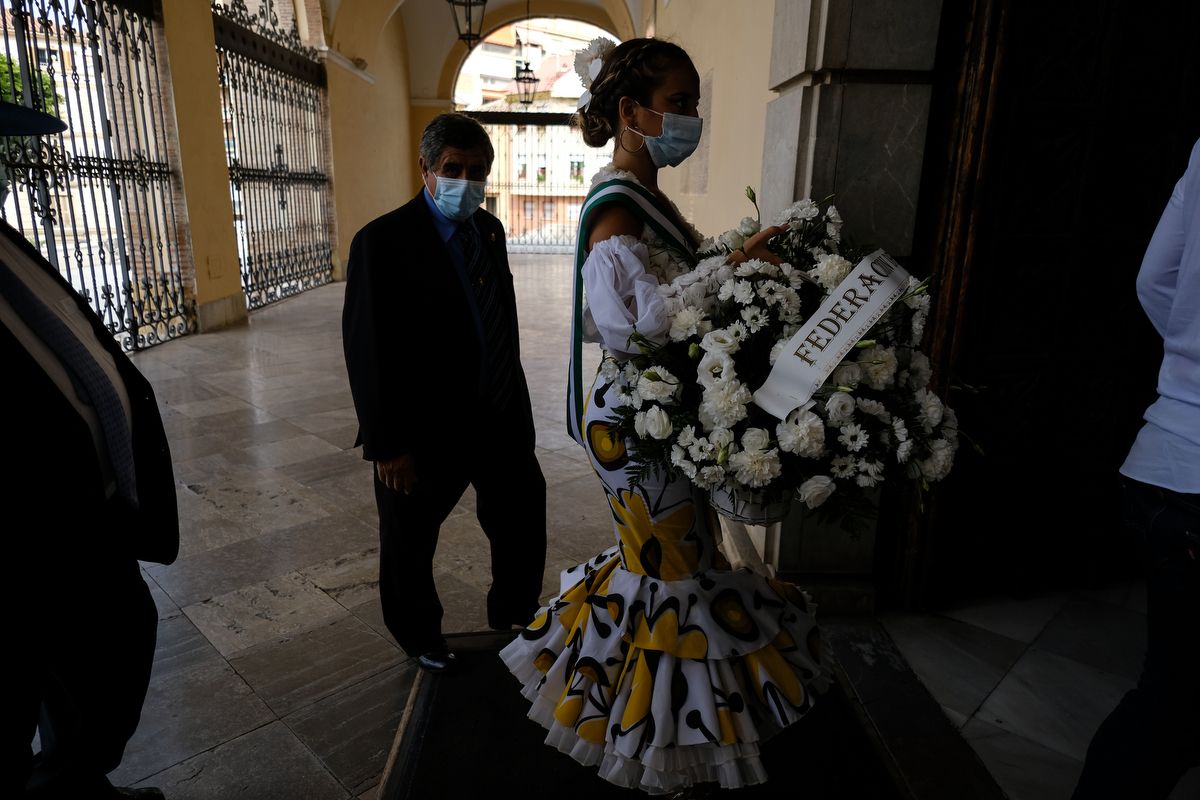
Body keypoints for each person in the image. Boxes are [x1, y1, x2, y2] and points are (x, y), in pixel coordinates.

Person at [500, 38, 829, 794]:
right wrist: (737, 269)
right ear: (630, 111)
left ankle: (673, 737)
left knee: (679, 566)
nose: (691, 118)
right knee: (672, 580)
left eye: (693, 104)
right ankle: (662, 753)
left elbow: (666, 294)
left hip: (656, 412)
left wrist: (735, 257)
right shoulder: (617, 205)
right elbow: (633, 326)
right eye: (678, 103)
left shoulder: (641, 195)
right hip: (637, 421)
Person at [1, 101, 179, 799]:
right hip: (23, 543)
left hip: (86, 521)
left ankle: (76, 781)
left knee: (115, 655)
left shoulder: (10, 243)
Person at [342, 112, 547, 673]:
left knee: (522, 518)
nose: (465, 181)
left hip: (499, 416)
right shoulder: (382, 242)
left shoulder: (489, 230)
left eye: (476, 171)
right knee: (409, 541)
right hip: (423, 430)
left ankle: (514, 611)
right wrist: (387, 444)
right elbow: (367, 350)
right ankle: (419, 638)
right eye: (452, 169)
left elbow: (499, 322)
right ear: (426, 169)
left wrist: (518, 406)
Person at [1071, 138, 1200, 800]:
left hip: (1165, 464)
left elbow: (1156, 280)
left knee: (1170, 696)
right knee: (1176, 707)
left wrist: (1187, 366)